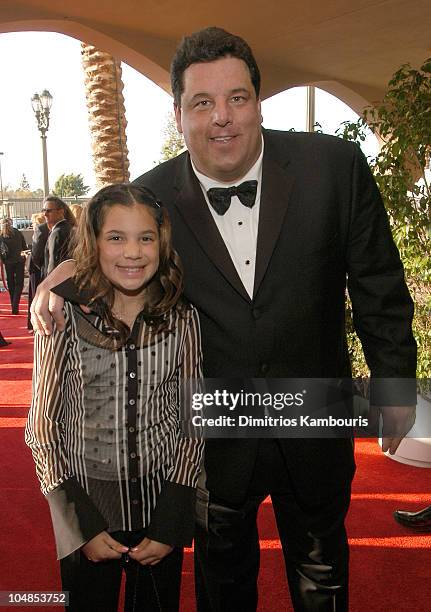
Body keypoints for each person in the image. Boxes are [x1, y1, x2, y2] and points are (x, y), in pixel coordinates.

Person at [31, 27, 417, 611]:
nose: (222, 118)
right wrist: (54, 282)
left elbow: (379, 285)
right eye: (202, 102)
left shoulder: (333, 167)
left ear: (258, 101)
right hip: (212, 430)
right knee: (223, 582)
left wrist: (394, 383)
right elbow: (107, 256)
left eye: (237, 98)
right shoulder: (149, 198)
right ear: (179, 113)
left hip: (315, 410)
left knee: (323, 573)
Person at [26, 183, 204, 611]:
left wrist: (170, 523)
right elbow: (42, 425)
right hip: (86, 505)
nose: (133, 252)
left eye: (145, 238)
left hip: (160, 504)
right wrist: (79, 523)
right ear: (94, 242)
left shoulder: (183, 317)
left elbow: (194, 421)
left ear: (160, 243)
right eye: (116, 238)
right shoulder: (63, 313)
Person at [42, 196, 75, 278]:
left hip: (58, 282)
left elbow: (53, 264)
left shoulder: (57, 233)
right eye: (44, 210)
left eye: (49, 211)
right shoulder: (69, 228)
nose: (45, 214)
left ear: (60, 212)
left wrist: (48, 285)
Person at [0, 217, 27, 314]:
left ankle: (13, 305)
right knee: (19, 283)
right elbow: (24, 247)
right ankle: (15, 305)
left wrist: (3, 260)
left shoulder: (1, 236)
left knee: (11, 284)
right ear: (11, 223)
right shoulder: (18, 233)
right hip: (19, 261)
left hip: (8, 262)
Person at [27, 212, 49, 330]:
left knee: (36, 296)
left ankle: (35, 324)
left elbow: (36, 254)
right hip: (42, 269)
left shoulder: (40, 231)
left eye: (33, 222)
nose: (32, 225)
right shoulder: (48, 231)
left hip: (38, 270)